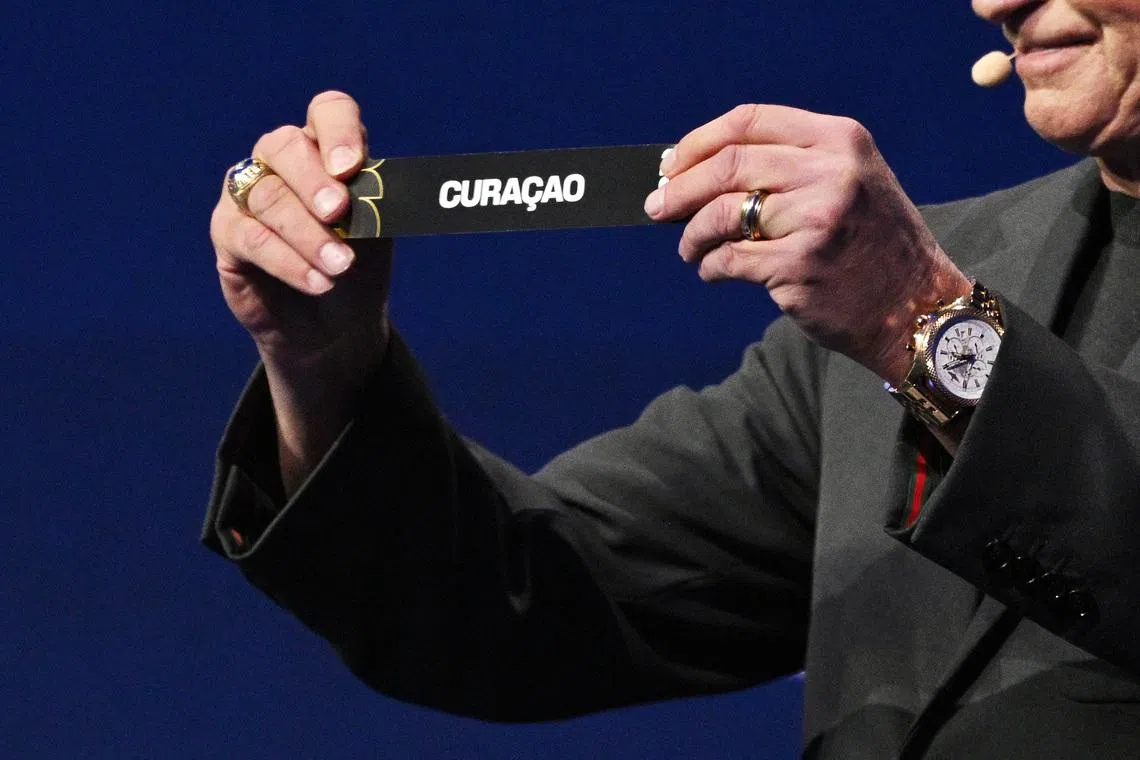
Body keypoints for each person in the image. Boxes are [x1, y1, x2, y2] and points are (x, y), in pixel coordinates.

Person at [203, 0, 1140, 756]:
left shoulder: (909, 293)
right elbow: (515, 600)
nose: (996, 3)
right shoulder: (934, 281)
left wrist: (922, 323)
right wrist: (325, 361)